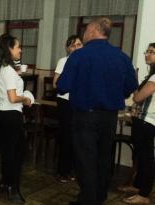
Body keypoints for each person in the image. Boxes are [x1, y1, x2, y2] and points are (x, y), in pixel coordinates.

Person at [56, 17, 138, 205]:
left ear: (93, 30)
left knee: (85, 160)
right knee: (103, 158)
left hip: (85, 116)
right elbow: (131, 85)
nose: (83, 34)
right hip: (109, 117)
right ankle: (100, 197)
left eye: (85, 30)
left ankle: (87, 200)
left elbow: (62, 86)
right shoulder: (121, 57)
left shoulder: (79, 56)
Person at [0, 34, 31, 203]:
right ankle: (13, 189)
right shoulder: (8, 70)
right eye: (18, 47)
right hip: (11, 114)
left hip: (3, 113)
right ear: (9, 49)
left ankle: (5, 183)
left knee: (9, 152)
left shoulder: (2, 67)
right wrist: (27, 98)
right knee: (16, 154)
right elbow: (13, 98)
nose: (20, 50)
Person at [119, 43, 155, 205]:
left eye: (152, 52)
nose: (147, 54)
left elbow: (138, 98)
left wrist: (134, 83)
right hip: (142, 121)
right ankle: (138, 186)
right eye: (147, 51)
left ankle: (144, 194)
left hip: (148, 122)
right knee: (140, 156)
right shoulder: (150, 75)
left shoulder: (154, 77)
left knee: (146, 158)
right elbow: (138, 98)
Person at [52, 35, 83, 183]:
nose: (76, 48)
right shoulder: (63, 61)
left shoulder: (86, 61)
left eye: (79, 45)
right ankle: (62, 171)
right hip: (65, 102)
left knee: (77, 138)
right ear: (68, 48)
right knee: (67, 136)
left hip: (80, 103)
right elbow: (55, 84)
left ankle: (71, 169)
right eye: (73, 45)